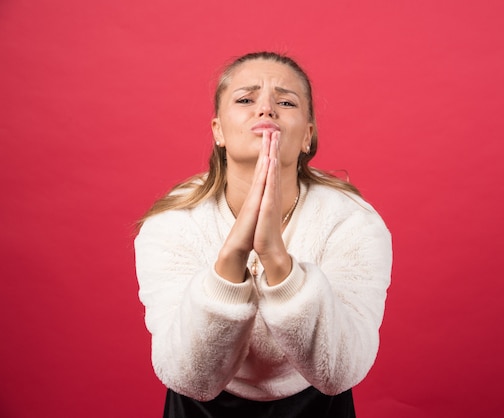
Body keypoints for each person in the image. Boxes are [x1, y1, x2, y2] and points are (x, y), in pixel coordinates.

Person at [134, 51, 392, 418]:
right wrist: (232, 257)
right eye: (245, 99)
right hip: (201, 407)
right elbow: (189, 377)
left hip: (316, 403)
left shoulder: (352, 221)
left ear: (307, 136)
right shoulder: (173, 222)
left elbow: (339, 372)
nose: (266, 109)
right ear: (218, 131)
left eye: (285, 101)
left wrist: (278, 262)